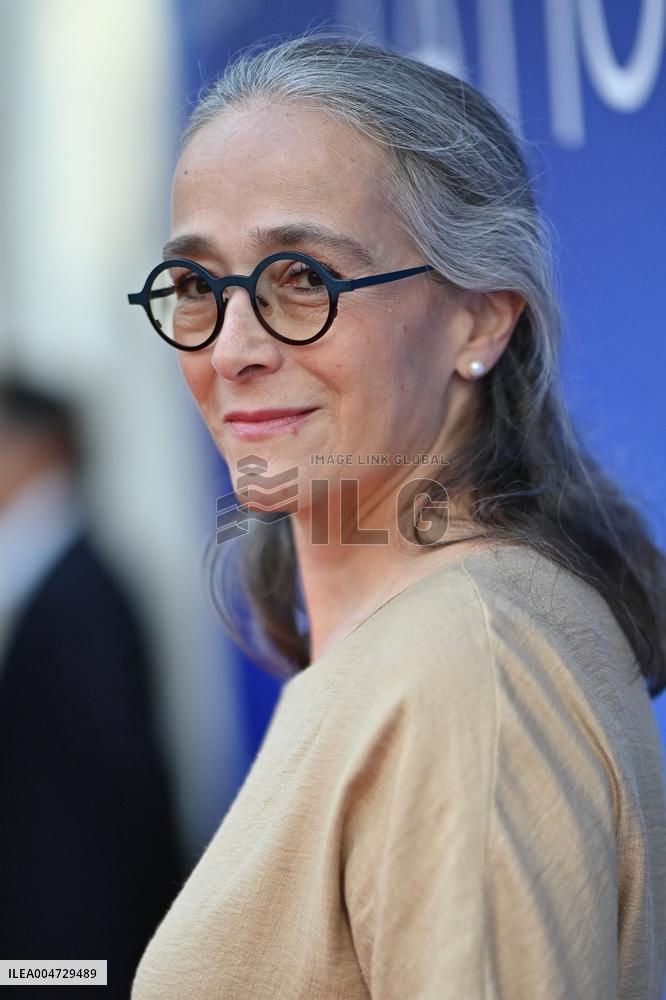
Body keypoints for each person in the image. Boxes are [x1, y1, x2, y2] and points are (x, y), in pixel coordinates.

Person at [127, 33, 666, 999]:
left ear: (481, 319)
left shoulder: (466, 666)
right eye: (200, 286)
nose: (231, 347)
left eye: (307, 280)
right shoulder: (412, 648)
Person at [0, 378, 184, 998]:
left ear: (39, 448)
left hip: (82, 947)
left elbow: (118, 780)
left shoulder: (83, 589)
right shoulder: (42, 575)